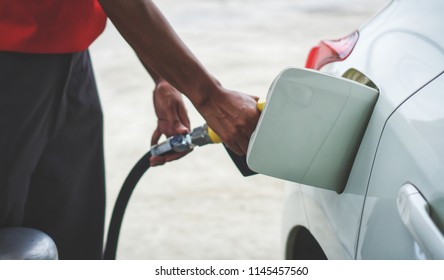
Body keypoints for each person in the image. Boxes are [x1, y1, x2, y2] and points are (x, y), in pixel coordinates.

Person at [0, 0, 260, 259]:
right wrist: (209, 98)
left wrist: (164, 76)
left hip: (69, 53)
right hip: (11, 58)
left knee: (71, 239)